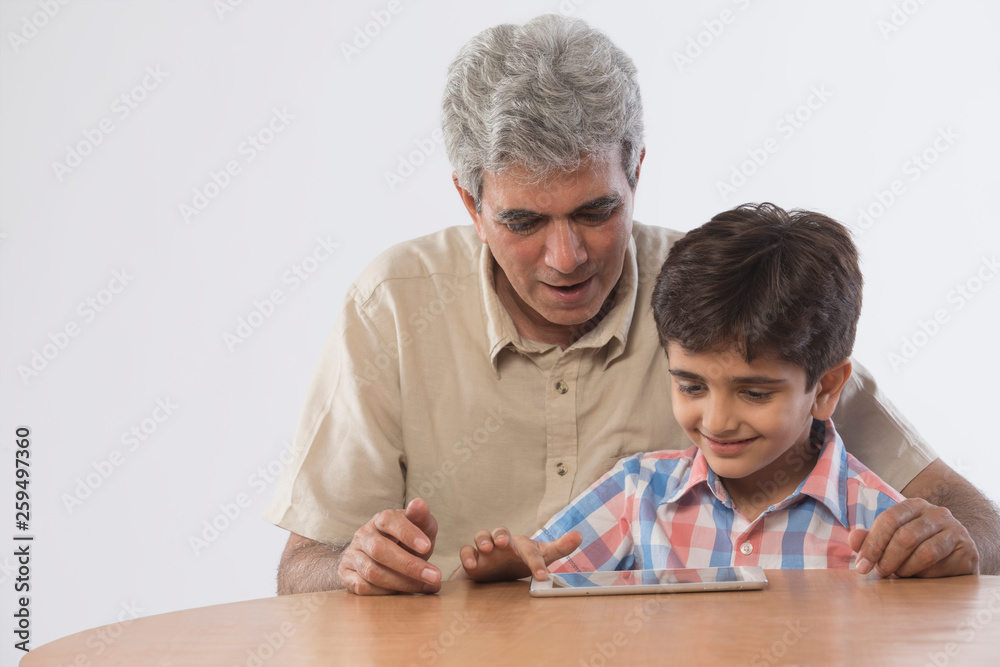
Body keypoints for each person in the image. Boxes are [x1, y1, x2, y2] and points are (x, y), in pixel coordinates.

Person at [266, 15, 998, 596]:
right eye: (523, 222)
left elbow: (975, 523)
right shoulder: (392, 304)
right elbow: (299, 569)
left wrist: (945, 540)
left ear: (636, 170)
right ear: (470, 199)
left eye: (595, 211)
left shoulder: (712, 299)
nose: (566, 258)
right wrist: (355, 568)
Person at [457, 204, 978, 580]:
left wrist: (949, 577)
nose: (717, 420)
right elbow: (538, 579)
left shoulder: (885, 525)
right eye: (691, 385)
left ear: (825, 389)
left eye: (753, 393)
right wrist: (505, 574)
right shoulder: (636, 494)